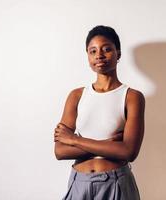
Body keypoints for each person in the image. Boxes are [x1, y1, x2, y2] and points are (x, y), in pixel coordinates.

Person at [53, 25, 145, 200]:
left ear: (118, 54)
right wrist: (110, 145)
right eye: (92, 51)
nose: (99, 56)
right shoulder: (77, 96)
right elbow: (60, 151)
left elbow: (129, 152)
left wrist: (74, 140)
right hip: (79, 184)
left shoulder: (132, 97)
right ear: (87, 56)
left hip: (116, 183)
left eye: (107, 49)